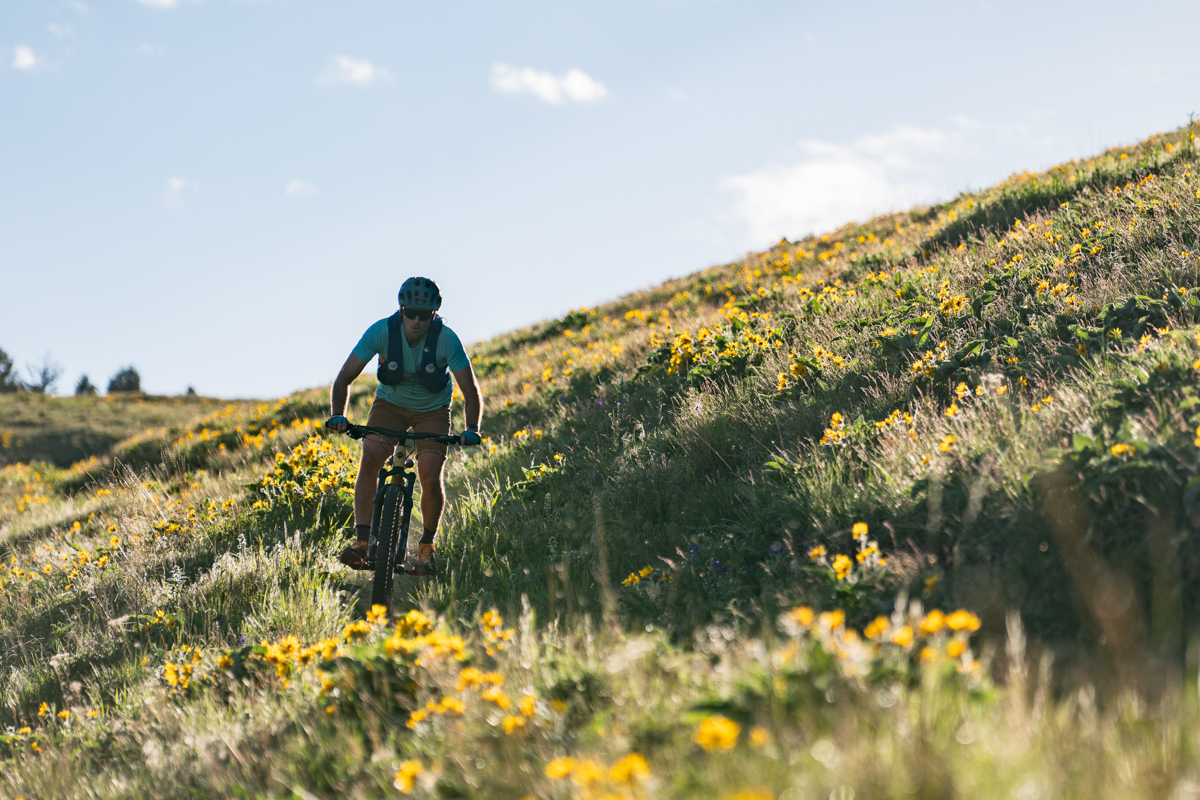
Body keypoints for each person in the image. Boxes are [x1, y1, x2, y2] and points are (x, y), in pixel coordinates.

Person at [326, 276, 482, 576]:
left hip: (433, 411)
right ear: (401, 309)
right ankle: (361, 541)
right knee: (371, 458)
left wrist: (472, 428)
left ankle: (426, 547)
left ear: (434, 314)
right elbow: (344, 377)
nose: (416, 320)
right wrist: (338, 414)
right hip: (390, 407)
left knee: (429, 475)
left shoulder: (447, 339)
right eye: (410, 312)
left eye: (424, 315)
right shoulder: (380, 332)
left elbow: (470, 391)